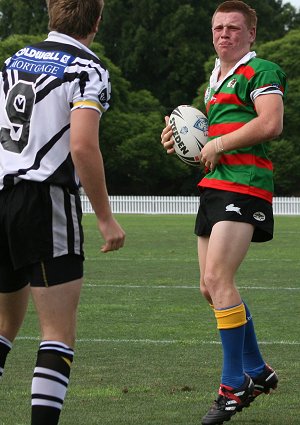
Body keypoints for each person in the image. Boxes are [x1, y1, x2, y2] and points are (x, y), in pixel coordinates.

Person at [0, 0, 125, 424]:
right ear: (97, 20)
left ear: (52, 13)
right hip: (46, 198)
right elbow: (83, 146)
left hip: (1, 198)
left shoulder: (13, 60)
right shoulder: (88, 69)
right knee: (56, 333)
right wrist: (105, 217)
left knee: (2, 326)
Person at [161, 1, 286, 424]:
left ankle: (233, 387)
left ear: (251, 34)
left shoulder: (261, 70)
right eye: (218, 28)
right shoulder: (215, 80)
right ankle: (256, 371)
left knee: (219, 279)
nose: (224, 34)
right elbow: (208, 141)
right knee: (208, 287)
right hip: (214, 186)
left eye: (234, 28)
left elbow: (270, 124)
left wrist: (217, 143)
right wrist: (182, 141)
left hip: (245, 186)